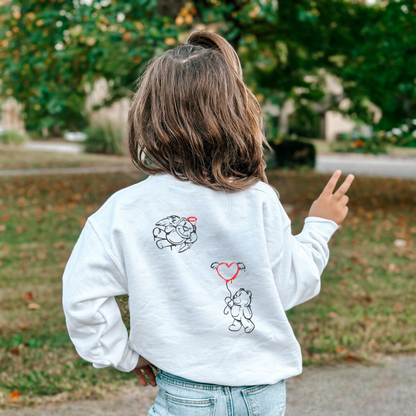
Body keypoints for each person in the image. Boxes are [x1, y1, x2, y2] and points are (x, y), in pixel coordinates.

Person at [62, 30, 354, 416]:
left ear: (147, 114)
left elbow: (82, 296)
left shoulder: (124, 210)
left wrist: (125, 354)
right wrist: (319, 227)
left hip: (185, 394)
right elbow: (288, 287)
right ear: (235, 112)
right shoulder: (259, 201)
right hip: (263, 395)